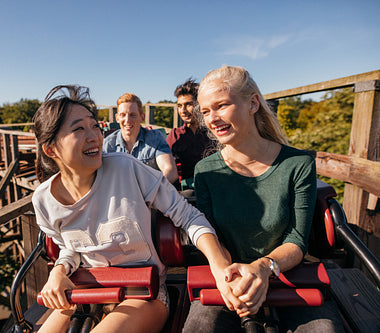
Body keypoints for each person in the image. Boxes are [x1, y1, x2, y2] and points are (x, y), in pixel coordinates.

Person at [31, 85, 235, 333]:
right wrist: (58, 272)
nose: (95, 136)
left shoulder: (125, 168)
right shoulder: (43, 200)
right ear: (51, 149)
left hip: (143, 292)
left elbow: (189, 215)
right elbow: (71, 248)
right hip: (88, 288)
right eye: (79, 129)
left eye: (95, 126)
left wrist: (218, 264)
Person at [182, 66, 344, 332]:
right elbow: (212, 235)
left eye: (221, 106)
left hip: (285, 271)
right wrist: (230, 277)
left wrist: (263, 267)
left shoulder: (297, 164)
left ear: (253, 103)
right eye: (206, 110)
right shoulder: (206, 170)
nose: (212, 119)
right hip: (228, 275)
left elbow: (296, 239)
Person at [102, 93, 179, 184]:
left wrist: (150, 191)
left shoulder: (155, 138)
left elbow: (170, 172)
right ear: (117, 118)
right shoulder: (108, 144)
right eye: (122, 115)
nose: (127, 120)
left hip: (151, 194)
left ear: (142, 117)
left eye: (132, 115)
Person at [166, 78, 215, 190]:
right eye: (179, 106)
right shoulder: (174, 136)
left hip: (214, 186)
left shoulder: (213, 132)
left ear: (199, 105)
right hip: (186, 192)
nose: (183, 110)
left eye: (188, 104)